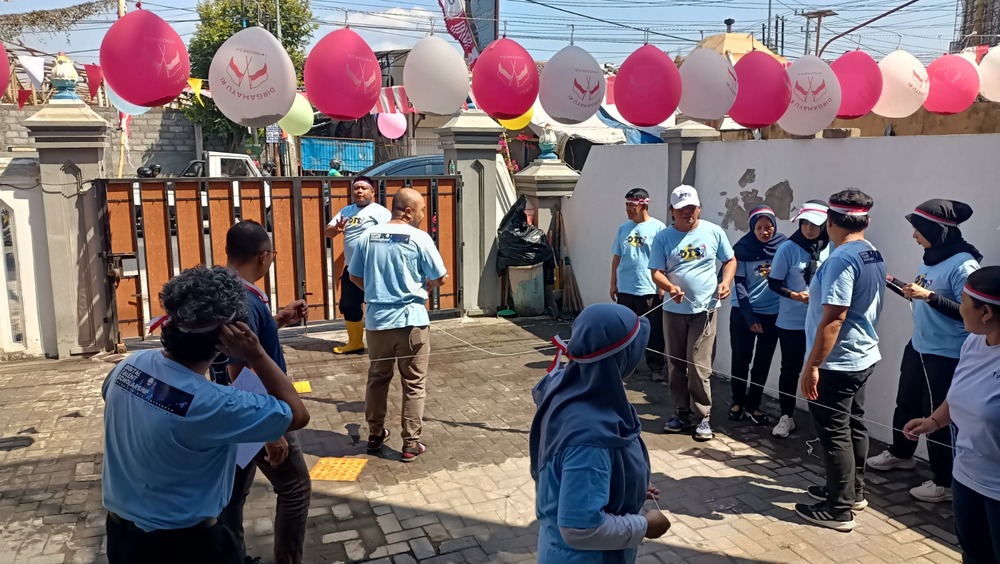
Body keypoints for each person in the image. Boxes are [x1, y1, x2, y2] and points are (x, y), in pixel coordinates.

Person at [101, 266, 309, 564]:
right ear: (228, 338)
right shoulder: (214, 404)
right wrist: (255, 354)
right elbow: (297, 414)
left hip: (123, 539)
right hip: (188, 546)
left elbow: (159, 400)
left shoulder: (129, 366)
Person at [530, 303, 671, 563]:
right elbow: (580, 529)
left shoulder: (570, 388)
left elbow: (573, 475)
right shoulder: (589, 436)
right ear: (620, 359)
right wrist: (644, 526)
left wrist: (628, 485)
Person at [867, 199, 981, 503]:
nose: (914, 236)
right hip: (919, 345)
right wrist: (896, 283)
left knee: (939, 417)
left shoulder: (964, 265)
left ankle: (944, 482)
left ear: (936, 230)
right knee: (906, 402)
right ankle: (901, 453)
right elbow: (922, 292)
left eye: (918, 230)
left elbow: (969, 314)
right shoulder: (932, 257)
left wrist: (928, 297)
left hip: (945, 353)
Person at [220, 220, 312, 564]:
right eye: (272, 254)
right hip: (259, 409)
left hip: (233, 412)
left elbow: (245, 343)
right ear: (262, 257)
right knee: (295, 488)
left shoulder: (226, 289)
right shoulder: (243, 299)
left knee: (232, 493)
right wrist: (269, 431)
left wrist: (279, 319)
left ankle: (232, 556)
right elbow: (238, 368)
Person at [795, 188, 886, 532]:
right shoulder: (871, 252)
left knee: (834, 432)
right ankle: (851, 490)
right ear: (866, 220)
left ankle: (838, 508)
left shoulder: (840, 259)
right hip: (862, 354)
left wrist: (813, 366)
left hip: (838, 360)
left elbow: (834, 319)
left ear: (830, 221)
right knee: (853, 424)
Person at [903, 266, 1000, 564]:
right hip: (966, 476)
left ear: (985, 312)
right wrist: (934, 421)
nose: (960, 309)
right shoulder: (973, 341)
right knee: (973, 554)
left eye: (963, 302)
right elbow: (959, 392)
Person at [349, 187, 447, 462]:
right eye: (422, 210)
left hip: (377, 322)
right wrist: (426, 283)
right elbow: (440, 277)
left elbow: (354, 275)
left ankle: (375, 434)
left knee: (378, 379)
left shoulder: (368, 236)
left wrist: (375, 290)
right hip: (410, 322)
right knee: (414, 383)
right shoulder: (419, 238)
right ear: (407, 211)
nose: (423, 216)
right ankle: (410, 444)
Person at [649, 185, 737, 441]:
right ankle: (680, 413)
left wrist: (726, 282)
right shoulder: (663, 238)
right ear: (672, 212)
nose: (688, 212)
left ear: (699, 208)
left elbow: (730, 260)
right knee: (676, 364)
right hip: (674, 311)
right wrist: (669, 287)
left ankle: (703, 417)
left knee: (698, 365)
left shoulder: (713, 232)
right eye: (681, 209)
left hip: (705, 310)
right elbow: (655, 271)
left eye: (692, 207)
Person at [767, 200, 831, 438]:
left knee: (822, 369)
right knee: (790, 368)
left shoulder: (832, 247)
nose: (808, 229)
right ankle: (786, 416)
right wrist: (793, 295)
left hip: (822, 321)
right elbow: (774, 282)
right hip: (792, 320)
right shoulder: (788, 248)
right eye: (804, 223)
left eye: (814, 224)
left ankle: (822, 420)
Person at [729, 205, 787, 426]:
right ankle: (737, 402)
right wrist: (750, 318)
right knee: (741, 359)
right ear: (752, 228)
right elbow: (740, 286)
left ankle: (754, 405)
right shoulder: (742, 249)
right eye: (760, 227)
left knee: (763, 362)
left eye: (769, 226)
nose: (765, 232)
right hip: (744, 313)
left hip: (772, 314)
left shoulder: (783, 247)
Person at [325, 176, 392, 354]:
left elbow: (390, 235)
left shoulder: (380, 212)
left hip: (374, 268)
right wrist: (335, 229)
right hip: (351, 268)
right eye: (356, 188)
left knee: (379, 305)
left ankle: (385, 343)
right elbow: (328, 232)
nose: (360, 191)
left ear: (373, 192)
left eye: (364, 188)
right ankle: (355, 342)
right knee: (349, 304)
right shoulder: (346, 211)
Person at [610, 188, 667, 380]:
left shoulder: (658, 228)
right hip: (626, 288)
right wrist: (613, 283)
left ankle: (656, 368)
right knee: (625, 330)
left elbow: (664, 259)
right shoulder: (623, 228)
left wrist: (662, 286)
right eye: (626, 205)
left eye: (632, 205)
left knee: (653, 330)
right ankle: (625, 365)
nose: (628, 209)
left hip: (648, 288)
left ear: (643, 204)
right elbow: (617, 256)